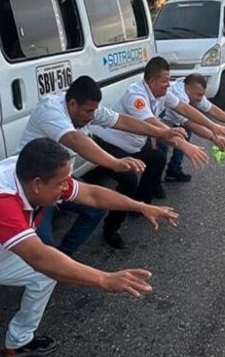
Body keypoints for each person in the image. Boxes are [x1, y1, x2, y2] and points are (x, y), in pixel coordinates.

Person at [0, 138, 178, 357]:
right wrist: (103, 279)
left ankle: (19, 342)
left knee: (45, 275)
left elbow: (93, 195)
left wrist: (141, 206)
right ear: (38, 183)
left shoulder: (34, 181)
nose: (67, 187)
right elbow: (39, 257)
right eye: (62, 182)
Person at [17, 76, 204, 256]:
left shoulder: (86, 108)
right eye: (88, 112)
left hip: (59, 179)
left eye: (94, 112)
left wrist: (162, 132)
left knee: (94, 210)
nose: (92, 117)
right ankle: (46, 267)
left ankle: (62, 260)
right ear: (72, 104)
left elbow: (121, 120)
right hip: (33, 183)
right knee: (42, 249)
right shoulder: (50, 110)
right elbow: (75, 139)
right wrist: (114, 163)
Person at [94, 57, 225, 249]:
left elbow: (185, 109)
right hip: (111, 144)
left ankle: (141, 206)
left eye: (169, 80)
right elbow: (153, 125)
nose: (169, 84)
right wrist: (184, 145)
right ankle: (111, 230)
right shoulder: (136, 96)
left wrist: (213, 128)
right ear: (151, 81)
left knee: (158, 158)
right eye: (165, 81)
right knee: (128, 181)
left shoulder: (162, 93)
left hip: (134, 143)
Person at [159, 73, 225, 182]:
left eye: (202, 95)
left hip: (173, 120)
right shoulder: (179, 96)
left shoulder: (190, 89)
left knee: (184, 132)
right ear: (188, 90)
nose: (201, 99)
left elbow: (212, 109)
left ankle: (173, 169)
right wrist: (214, 137)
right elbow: (191, 123)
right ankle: (153, 182)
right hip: (156, 121)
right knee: (161, 149)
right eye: (198, 95)